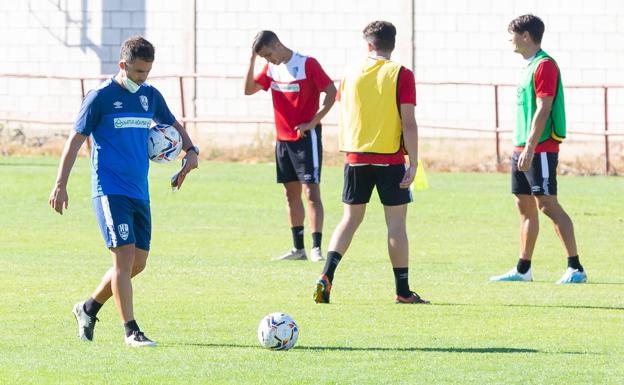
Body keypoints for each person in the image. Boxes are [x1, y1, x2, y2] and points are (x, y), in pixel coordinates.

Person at [49, 36, 199, 347]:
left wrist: (191, 151)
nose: (142, 78)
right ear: (122, 65)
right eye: (137, 72)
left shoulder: (149, 96)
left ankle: (88, 308)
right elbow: (75, 141)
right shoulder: (100, 97)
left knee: (138, 263)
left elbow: (172, 125)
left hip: (138, 192)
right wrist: (60, 184)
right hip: (109, 189)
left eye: (147, 72)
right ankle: (131, 330)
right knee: (123, 259)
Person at [313, 21, 429, 304]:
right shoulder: (401, 74)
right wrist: (413, 163)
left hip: (355, 157)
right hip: (389, 159)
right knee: (396, 224)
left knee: (349, 220)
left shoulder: (350, 73)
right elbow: (409, 122)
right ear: (394, 43)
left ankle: (326, 274)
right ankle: (402, 291)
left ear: (368, 45)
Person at [490, 14, 586, 284]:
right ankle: (523, 269)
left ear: (526, 36)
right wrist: (522, 147)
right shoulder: (527, 66)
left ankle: (575, 267)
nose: (510, 39)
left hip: (539, 148)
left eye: (513, 34)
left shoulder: (545, 66)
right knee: (524, 206)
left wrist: (531, 147)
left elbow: (544, 108)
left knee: (547, 205)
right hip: (521, 146)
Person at [244, 31, 336, 262]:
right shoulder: (271, 69)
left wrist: (313, 122)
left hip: (306, 139)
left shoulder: (307, 64)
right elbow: (248, 89)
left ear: (277, 44)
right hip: (282, 141)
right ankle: (299, 249)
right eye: (263, 57)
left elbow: (332, 92)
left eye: (268, 54)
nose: (269, 60)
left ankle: (316, 248)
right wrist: (252, 60)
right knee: (290, 194)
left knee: (311, 193)